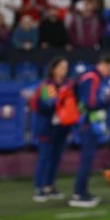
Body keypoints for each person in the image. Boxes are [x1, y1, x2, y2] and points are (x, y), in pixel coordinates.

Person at [70, 54, 110, 208]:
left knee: (87, 159)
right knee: (86, 159)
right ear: (103, 64)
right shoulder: (92, 78)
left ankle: (82, 191)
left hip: (88, 123)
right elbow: (90, 103)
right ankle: (79, 194)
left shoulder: (93, 77)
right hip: (87, 123)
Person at [31, 57, 71, 202]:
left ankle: (50, 185)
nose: (64, 70)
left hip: (62, 127)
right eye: (61, 67)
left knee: (56, 157)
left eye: (66, 67)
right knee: (44, 157)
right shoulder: (46, 85)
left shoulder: (67, 84)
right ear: (54, 69)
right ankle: (39, 187)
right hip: (47, 126)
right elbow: (45, 106)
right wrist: (62, 98)